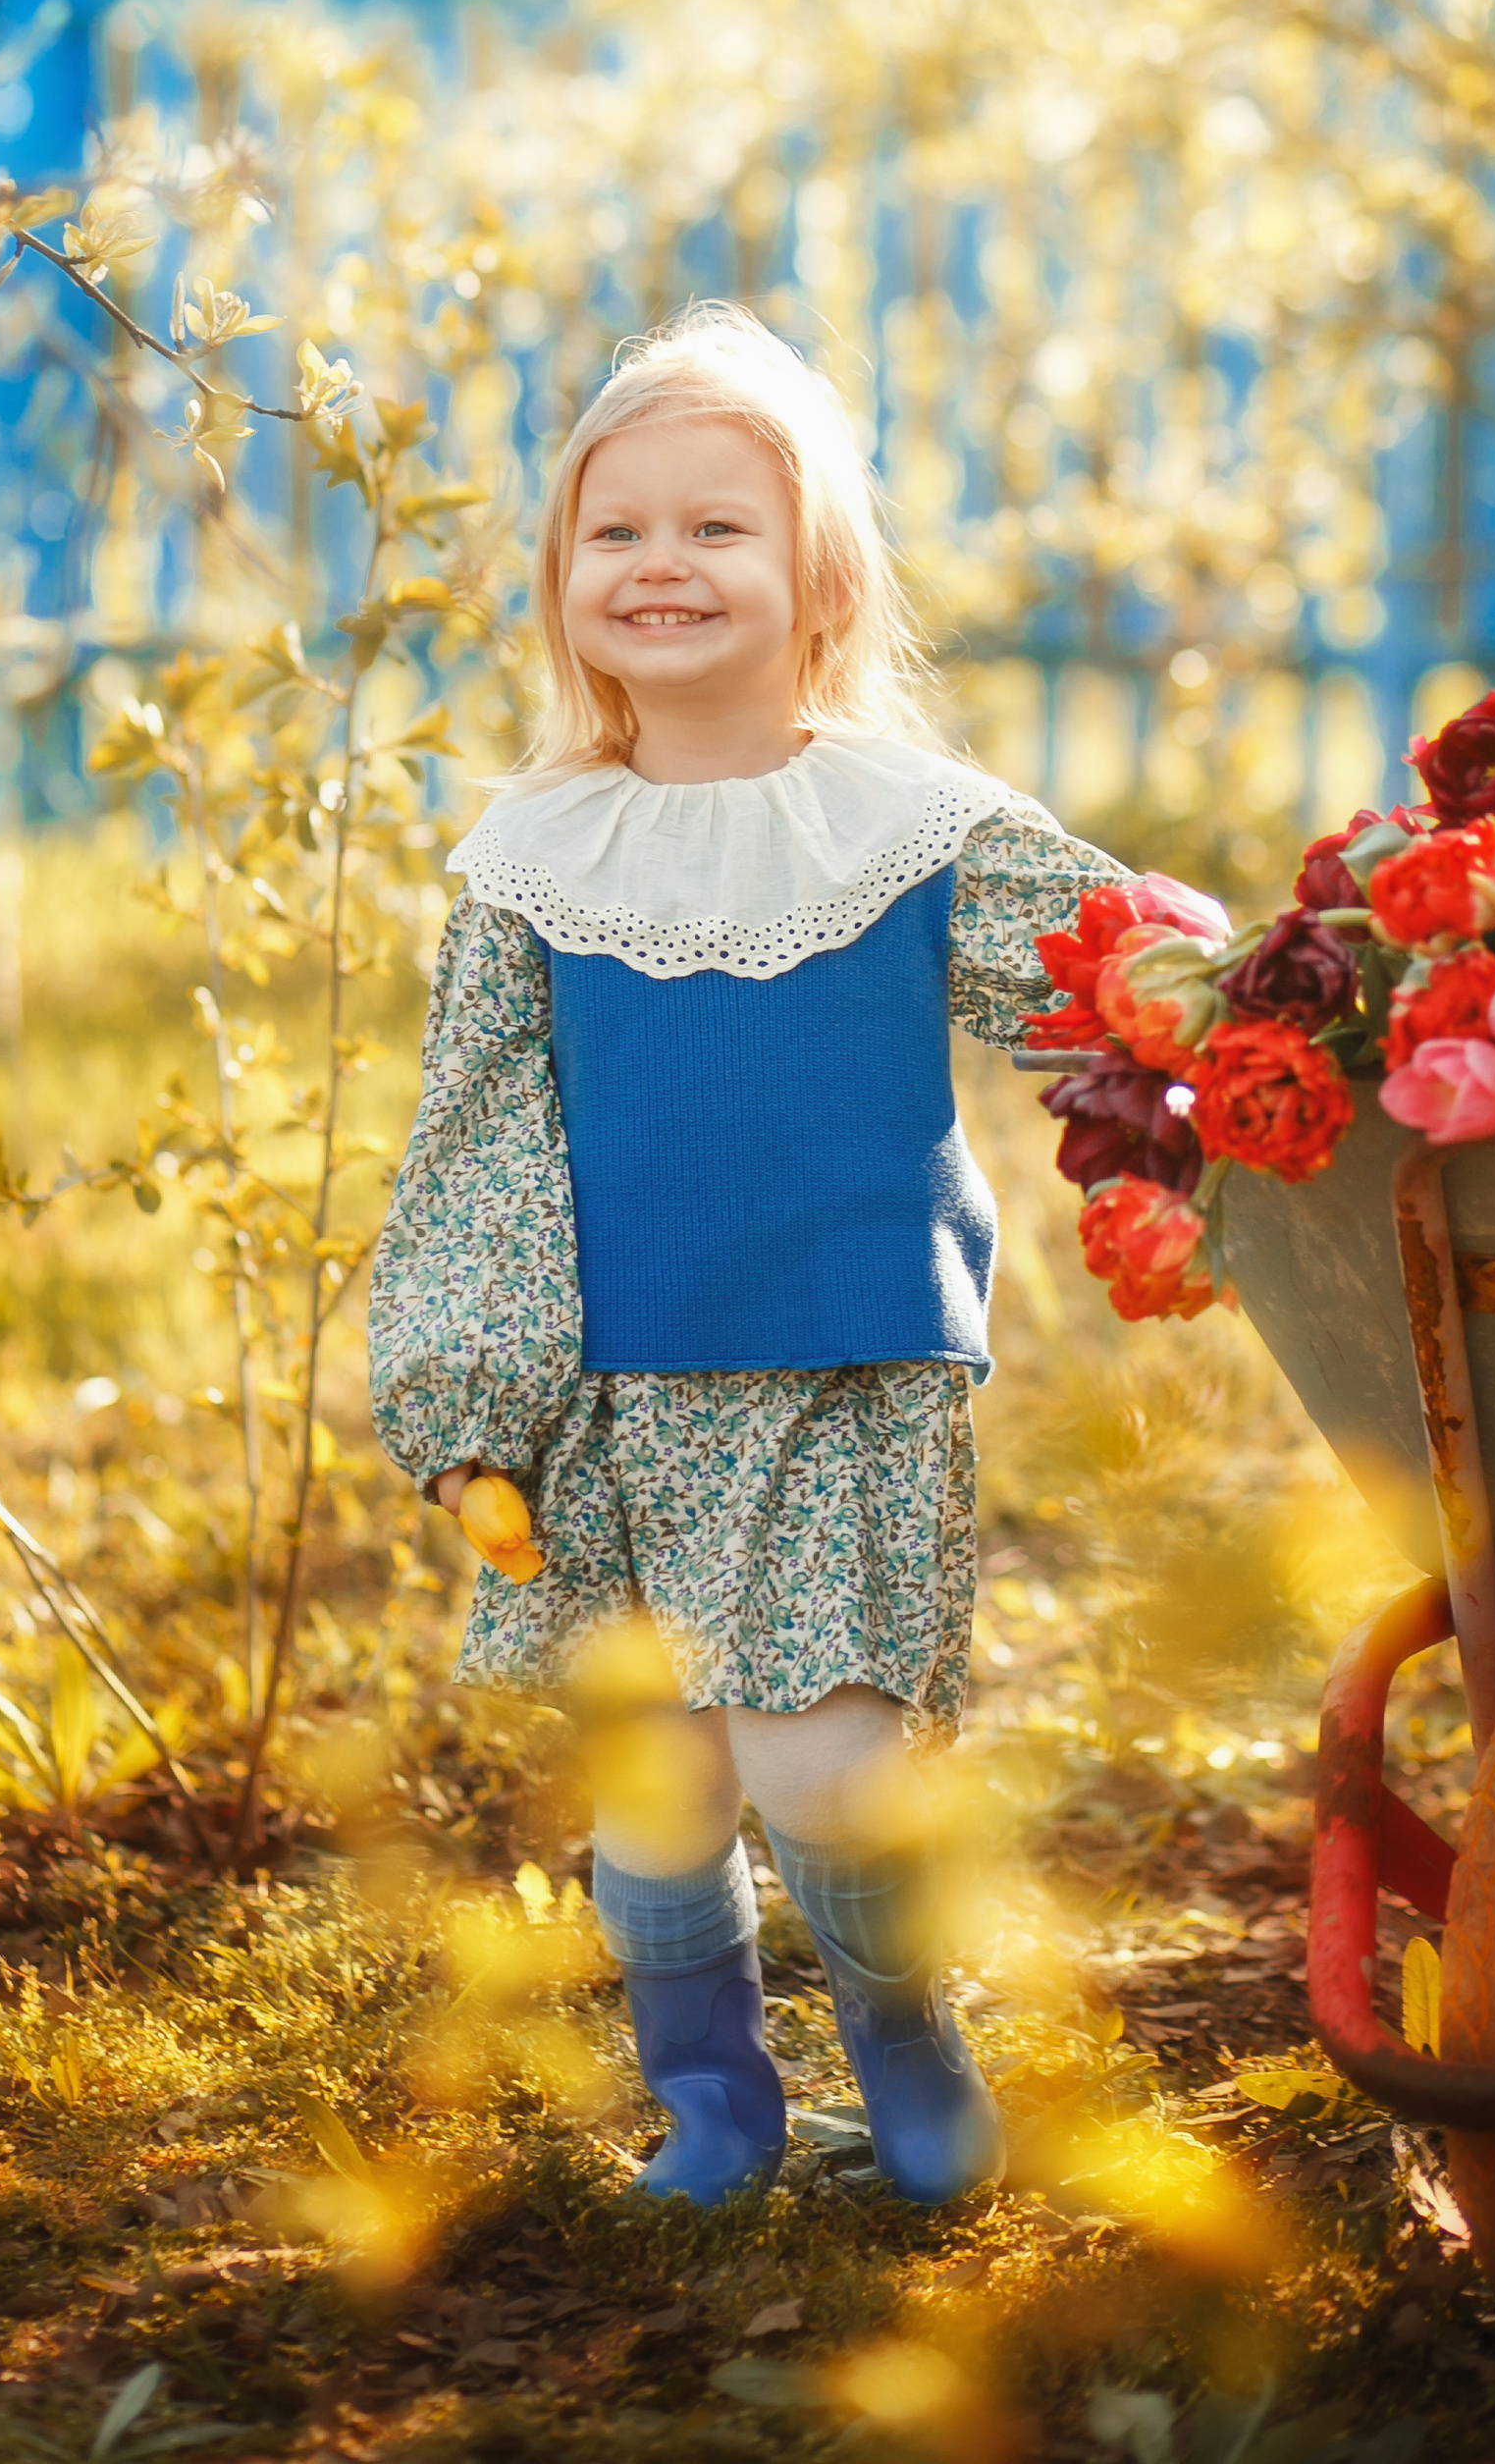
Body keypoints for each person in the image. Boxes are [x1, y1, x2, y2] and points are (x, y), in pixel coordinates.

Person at [368, 304, 1174, 2209]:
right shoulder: (531, 857)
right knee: (662, 1797)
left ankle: (907, 2062)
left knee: (818, 1773)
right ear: (561, 577)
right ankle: (718, 2109)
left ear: (813, 570)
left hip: (835, 1366)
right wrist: (467, 1399)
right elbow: (481, 1141)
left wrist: (1252, 1028)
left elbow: (1113, 987)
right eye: (613, 530)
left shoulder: (909, 828)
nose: (658, 564)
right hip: (610, 1393)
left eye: (714, 527)